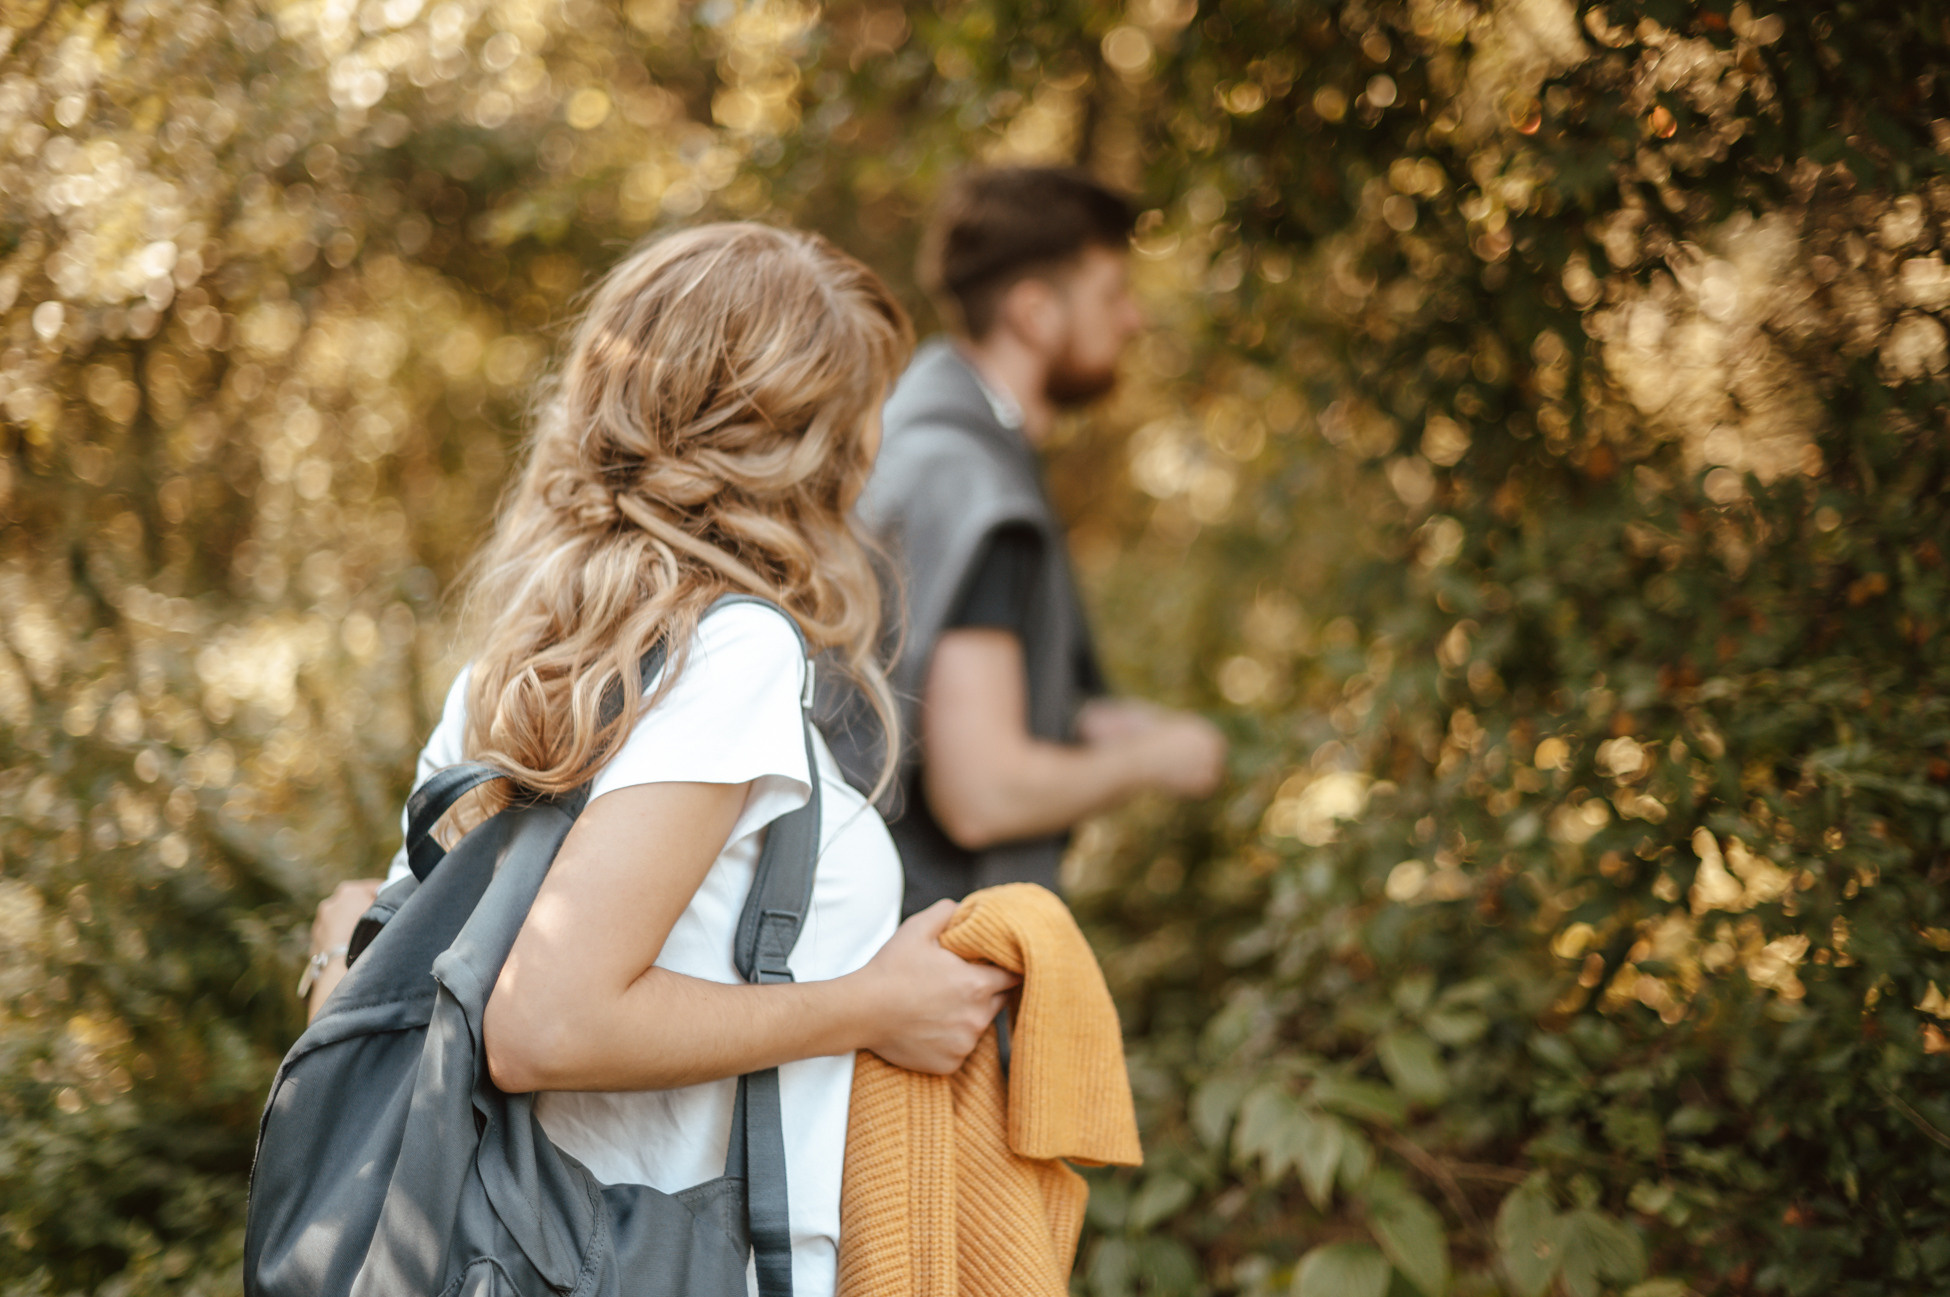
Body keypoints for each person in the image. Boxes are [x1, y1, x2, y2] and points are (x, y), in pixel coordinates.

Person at [303, 223, 1017, 1297]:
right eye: (854, 420)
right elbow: (544, 1024)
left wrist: (333, 942)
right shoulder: (730, 650)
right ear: (803, 446)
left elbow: (390, 997)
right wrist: (875, 1003)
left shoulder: (523, 669)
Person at [826, 166, 1228, 916]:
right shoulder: (970, 483)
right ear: (1035, 312)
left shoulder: (919, 445)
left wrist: (1083, 720)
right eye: (1112, 294)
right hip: (929, 965)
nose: (1134, 320)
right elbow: (983, 793)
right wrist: (1155, 758)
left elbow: (927, 694)